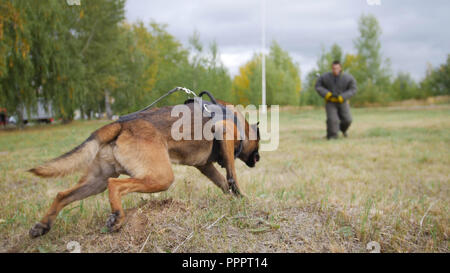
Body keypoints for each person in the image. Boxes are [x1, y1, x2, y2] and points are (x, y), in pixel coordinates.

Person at [315, 60, 357, 139]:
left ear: (340, 68)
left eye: (337, 68)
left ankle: (343, 130)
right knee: (332, 120)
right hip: (330, 102)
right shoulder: (325, 77)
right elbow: (318, 86)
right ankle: (332, 136)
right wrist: (327, 94)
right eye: (333, 68)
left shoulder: (348, 78)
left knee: (347, 120)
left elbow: (353, 89)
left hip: (343, 102)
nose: (335, 70)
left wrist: (343, 96)